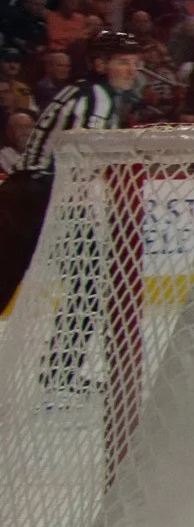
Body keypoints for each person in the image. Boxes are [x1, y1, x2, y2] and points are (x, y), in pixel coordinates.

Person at [0, 29, 140, 338]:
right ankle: (61, 375)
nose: (133, 69)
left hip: (25, 191)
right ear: (100, 64)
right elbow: (85, 151)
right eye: (123, 62)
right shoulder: (98, 97)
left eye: (134, 61)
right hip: (42, 195)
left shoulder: (82, 91)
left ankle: (61, 373)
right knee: (87, 285)